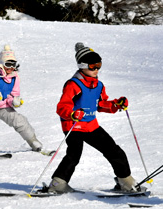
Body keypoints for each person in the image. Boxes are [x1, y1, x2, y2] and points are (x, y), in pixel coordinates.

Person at [48, 42, 139, 193]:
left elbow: (101, 104)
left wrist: (116, 104)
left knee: (114, 151)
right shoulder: (73, 84)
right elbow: (62, 107)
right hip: (73, 125)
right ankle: (58, 184)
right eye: (93, 66)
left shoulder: (99, 85)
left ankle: (126, 182)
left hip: (91, 125)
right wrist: (72, 114)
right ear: (82, 66)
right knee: (74, 154)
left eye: (99, 65)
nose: (97, 69)